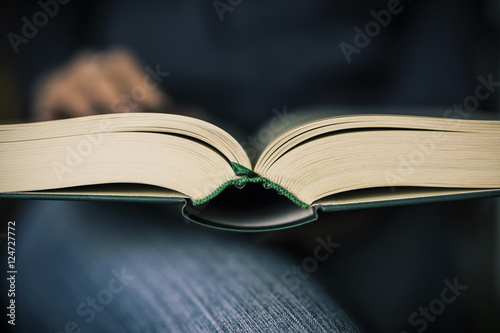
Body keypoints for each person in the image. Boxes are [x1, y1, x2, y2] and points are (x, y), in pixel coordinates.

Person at [7, 0, 498, 331]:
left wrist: (358, 177)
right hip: (113, 195)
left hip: (372, 219)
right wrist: (63, 86)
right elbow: (43, 43)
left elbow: (442, 95)